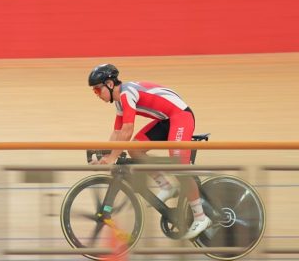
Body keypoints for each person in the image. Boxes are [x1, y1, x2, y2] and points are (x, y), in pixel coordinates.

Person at [87, 63, 210, 240]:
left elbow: (127, 130)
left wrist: (112, 157)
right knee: (136, 150)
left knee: (179, 166)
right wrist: (106, 155)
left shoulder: (126, 94)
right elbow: (117, 133)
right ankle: (166, 186)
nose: (97, 95)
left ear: (110, 84)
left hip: (180, 116)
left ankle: (201, 217)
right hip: (167, 119)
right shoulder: (120, 102)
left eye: (98, 90)